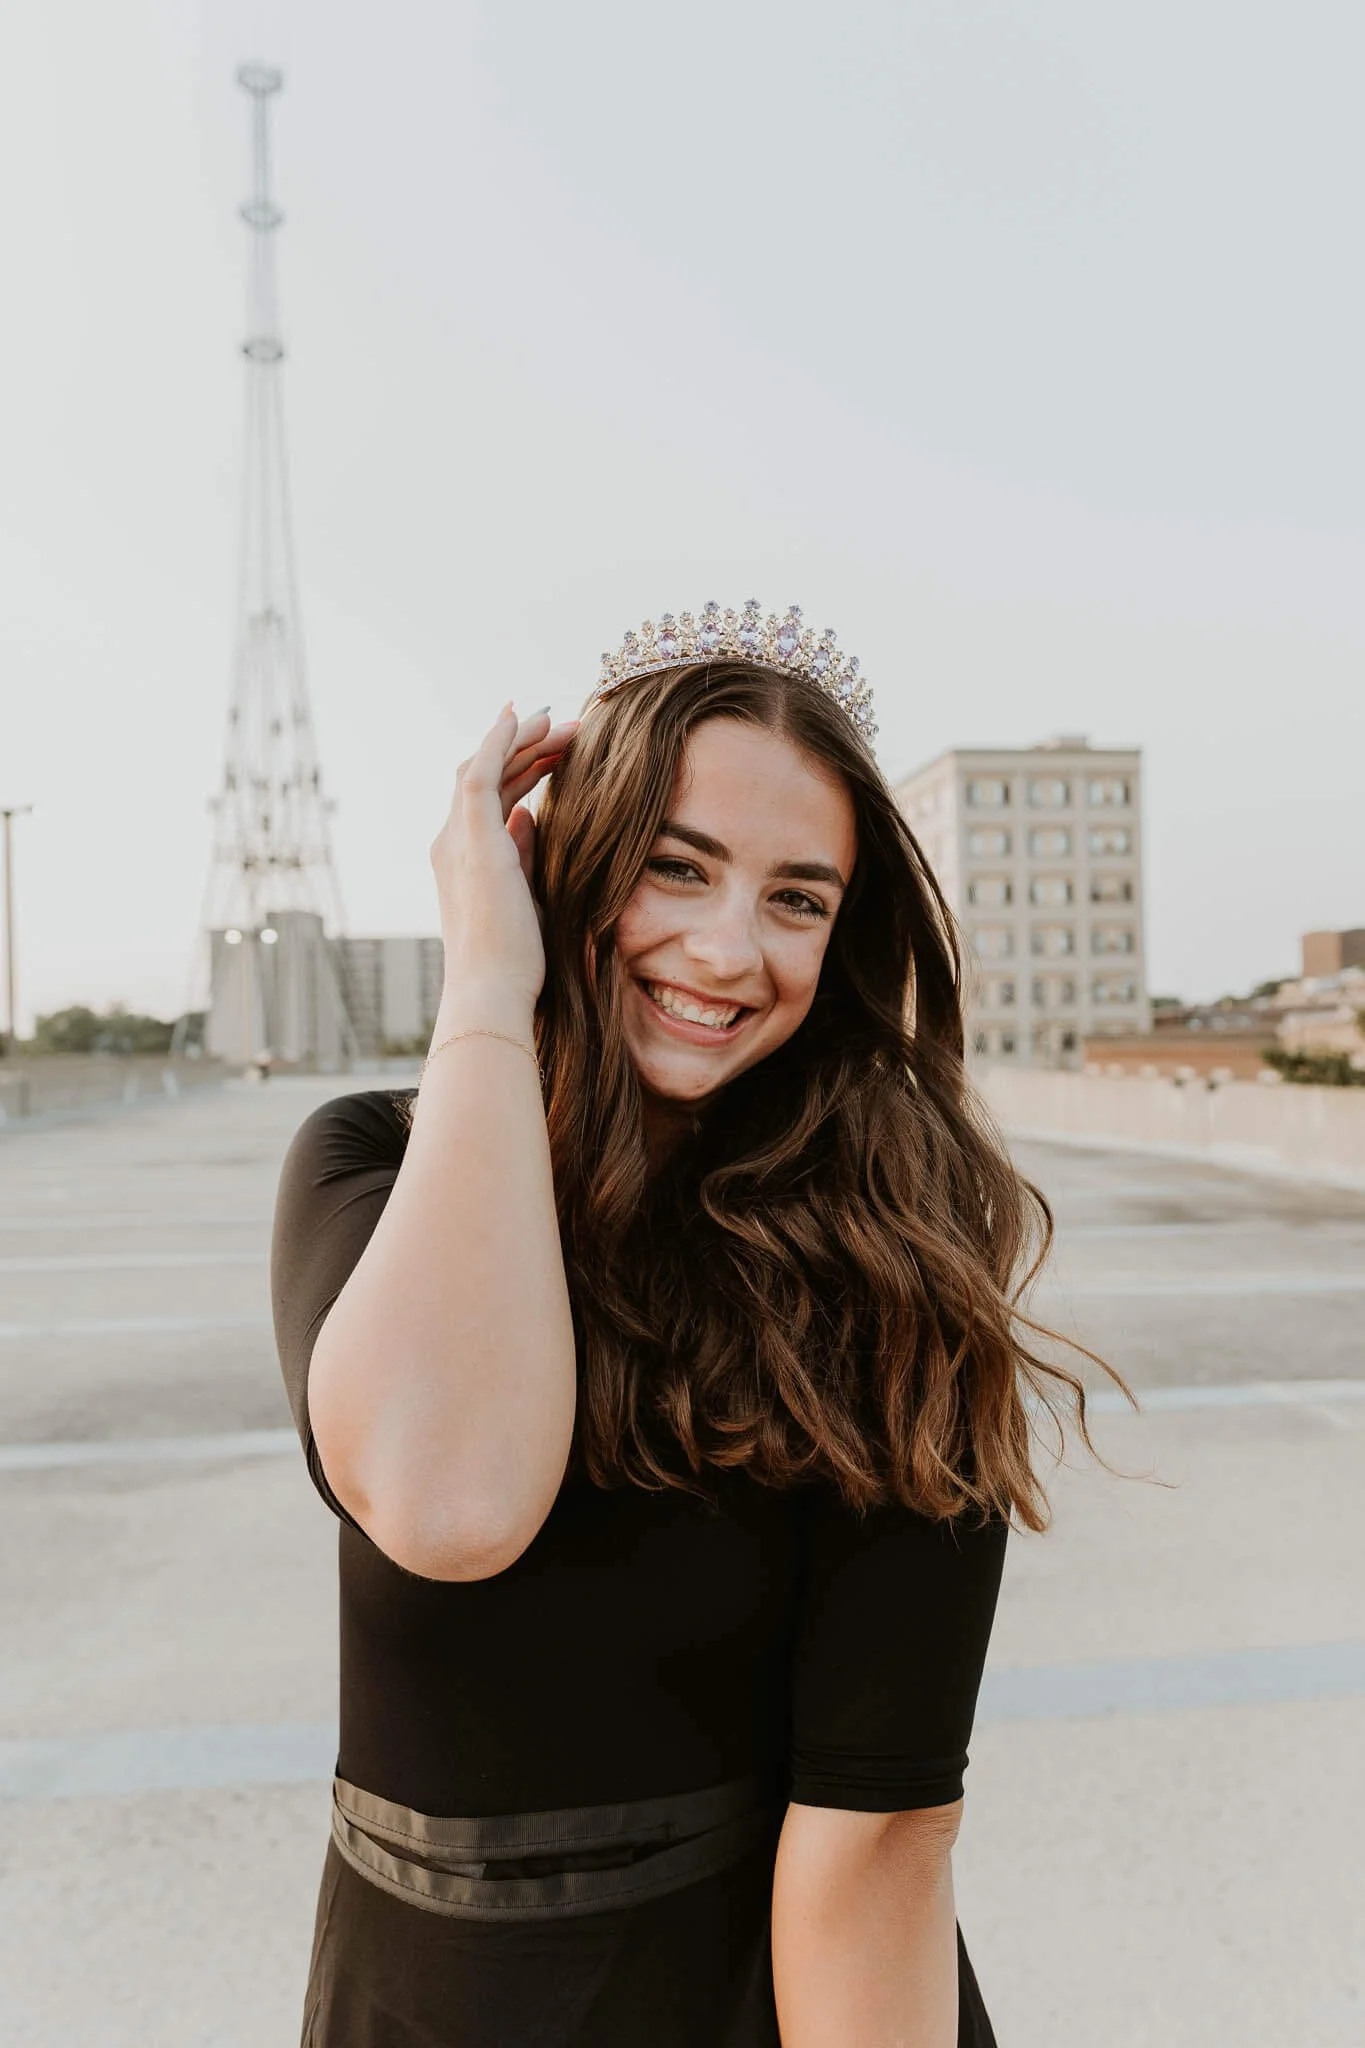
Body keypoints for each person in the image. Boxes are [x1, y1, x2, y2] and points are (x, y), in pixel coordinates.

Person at [271, 603, 1106, 2047]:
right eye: (677, 868)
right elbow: (449, 1496)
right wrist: (486, 986)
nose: (730, 951)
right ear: (565, 871)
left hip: (740, 2001)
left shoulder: (888, 1259)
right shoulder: (366, 1165)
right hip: (411, 1996)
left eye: (798, 898)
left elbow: (879, 1836)